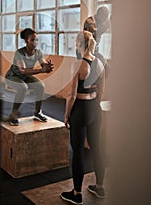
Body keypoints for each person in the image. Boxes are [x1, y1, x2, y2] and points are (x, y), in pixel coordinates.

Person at [61, 31, 105, 204]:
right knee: (97, 148)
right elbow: (101, 91)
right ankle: (100, 187)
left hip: (80, 110)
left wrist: (66, 115)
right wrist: (94, 107)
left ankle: (77, 193)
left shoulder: (78, 65)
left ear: (79, 44)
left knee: (78, 151)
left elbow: (71, 96)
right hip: (95, 108)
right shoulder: (100, 63)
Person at [5, 28, 54, 126]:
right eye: (32, 40)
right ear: (26, 41)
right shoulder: (19, 53)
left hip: (26, 76)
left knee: (41, 86)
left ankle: (37, 112)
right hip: (13, 77)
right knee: (23, 88)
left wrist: (46, 67)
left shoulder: (38, 52)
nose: (35, 43)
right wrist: (41, 70)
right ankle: (13, 114)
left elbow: (43, 63)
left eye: (36, 40)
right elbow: (22, 70)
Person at [83, 6, 111, 77]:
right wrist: (107, 25)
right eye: (103, 19)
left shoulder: (101, 21)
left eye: (105, 19)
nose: (104, 21)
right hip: (85, 51)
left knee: (106, 69)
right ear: (99, 15)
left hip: (94, 51)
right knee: (90, 74)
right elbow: (96, 33)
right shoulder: (89, 21)